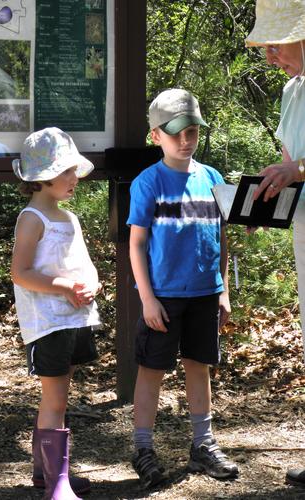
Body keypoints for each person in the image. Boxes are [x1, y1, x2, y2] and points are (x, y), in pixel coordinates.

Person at [126, 88, 239, 489]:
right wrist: (148, 299)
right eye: (176, 133)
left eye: (192, 131)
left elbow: (221, 235)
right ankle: (143, 447)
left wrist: (223, 289)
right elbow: (136, 244)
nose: (186, 140)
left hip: (205, 292)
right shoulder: (148, 182)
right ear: (156, 135)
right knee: (152, 369)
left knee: (199, 366)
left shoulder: (212, 178)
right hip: (164, 296)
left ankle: (202, 444)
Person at [11, 127, 101, 499]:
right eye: (66, 171)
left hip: (75, 320)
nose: (73, 179)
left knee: (61, 394)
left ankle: (46, 472)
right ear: (43, 177)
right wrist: (64, 287)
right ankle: (56, 482)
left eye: (74, 170)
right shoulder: (32, 219)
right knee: (55, 398)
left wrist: (92, 285)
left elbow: (86, 265)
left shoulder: (69, 218)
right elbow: (21, 273)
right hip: (47, 324)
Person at [245, 0, 305, 488]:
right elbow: (290, 164)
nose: (269, 56)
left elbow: (299, 167)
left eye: (275, 43)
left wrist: (298, 170)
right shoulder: (292, 89)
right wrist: (264, 203)